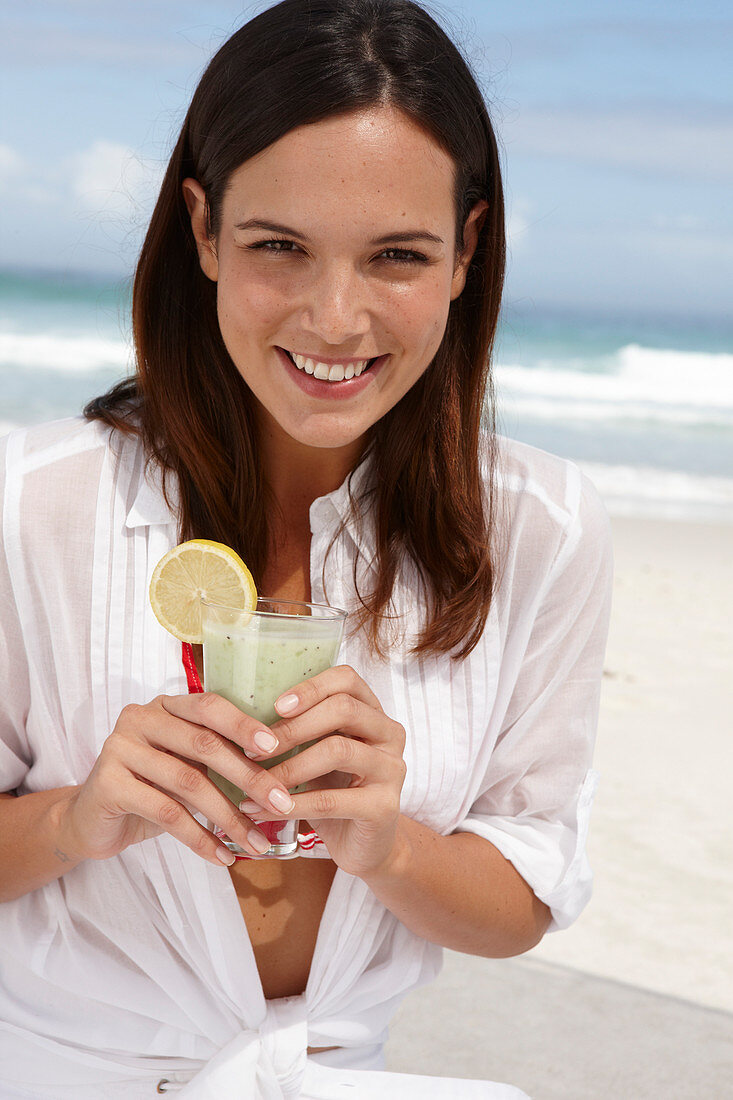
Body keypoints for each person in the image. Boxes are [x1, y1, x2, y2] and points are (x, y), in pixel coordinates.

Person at [0, 1, 612, 1097]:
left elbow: (522, 892)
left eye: (397, 256)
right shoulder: (30, 506)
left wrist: (388, 842)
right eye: (279, 246)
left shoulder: (542, 526)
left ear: (467, 250)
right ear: (201, 228)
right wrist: (79, 816)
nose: (336, 318)